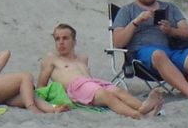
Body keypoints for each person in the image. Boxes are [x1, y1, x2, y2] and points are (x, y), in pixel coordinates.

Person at [34, 24, 165, 118]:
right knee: (106, 96)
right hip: (76, 87)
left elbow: (88, 80)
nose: (61, 42)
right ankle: (137, 115)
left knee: (118, 91)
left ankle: (143, 107)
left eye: (65, 38)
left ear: (74, 41)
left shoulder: (82, 58)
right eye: (57, 39)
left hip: (92, 83)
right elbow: (41, 88)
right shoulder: (51, 59)